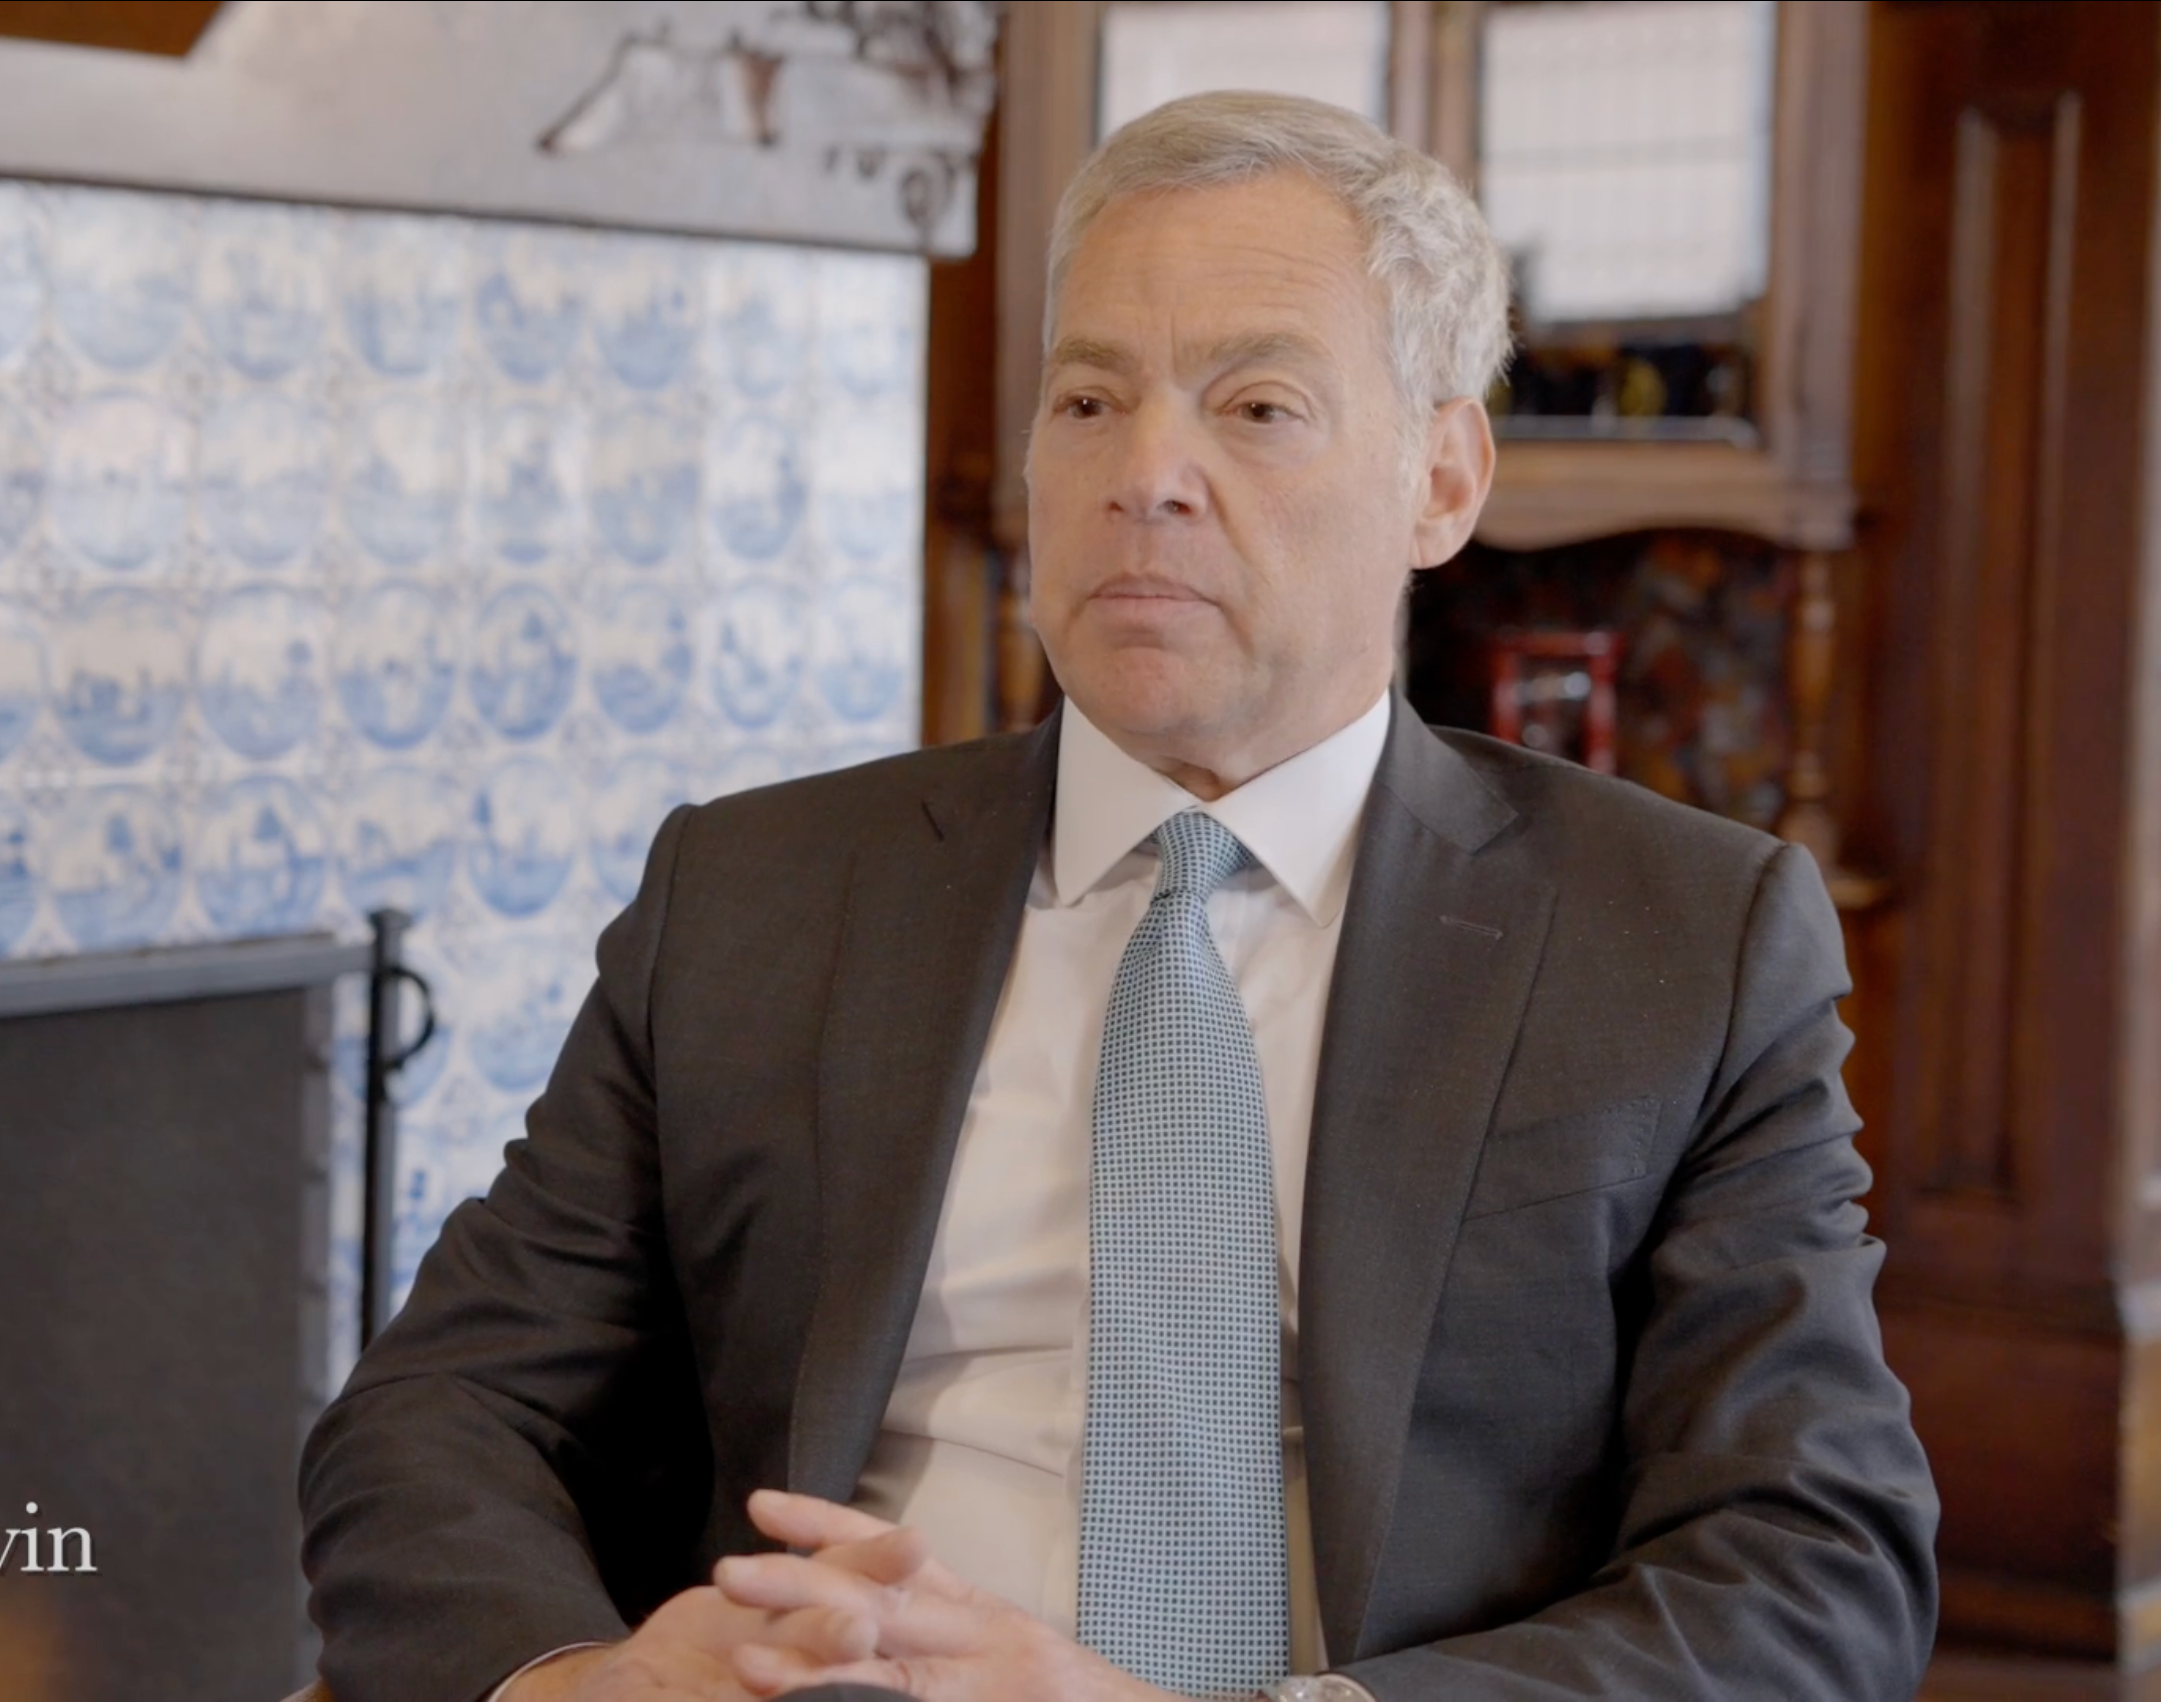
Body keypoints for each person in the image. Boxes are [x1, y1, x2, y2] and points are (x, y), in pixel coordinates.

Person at [300, 89, 1937, 1702]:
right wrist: (580, 1682)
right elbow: (448, 1404)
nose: (1145, 473)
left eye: (1258, 406)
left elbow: (1812, 1551)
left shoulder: (1683, 940)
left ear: (1442, 480)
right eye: (1088, 400)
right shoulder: (751, 894)